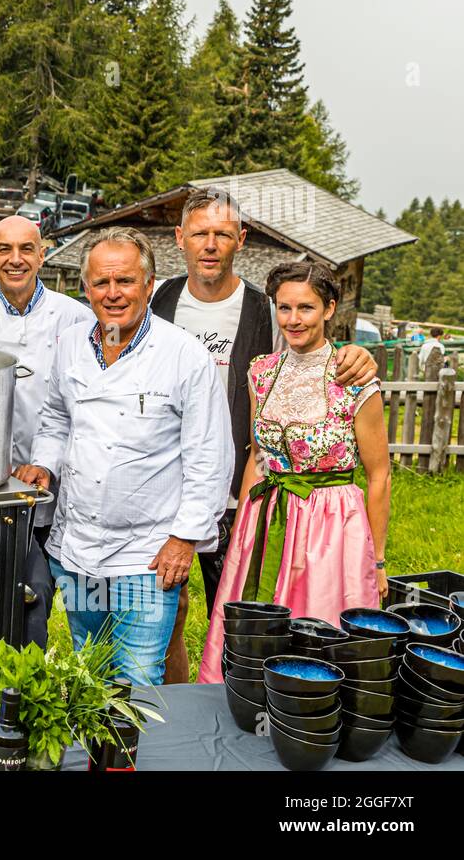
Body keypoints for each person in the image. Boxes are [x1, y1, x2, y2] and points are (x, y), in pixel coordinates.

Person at [152, 188, 376, 683]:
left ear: (241, 241)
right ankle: (183, 716)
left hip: (240, 495)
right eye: (200, 233)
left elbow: (309, 357)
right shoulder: (156, 300)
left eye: (222, 234)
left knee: (241, 613)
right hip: (166, 488)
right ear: (180, 239)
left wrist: (359, 356)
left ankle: (246, 704)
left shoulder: (266, 310)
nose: (210, 244)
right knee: (166, 617)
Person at [22, 228, 233, 686]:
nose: (113, 294)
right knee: (91, 670)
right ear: (86, 288)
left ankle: (132, 759)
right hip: (77, 549)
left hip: (148, 554)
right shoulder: (72, 345)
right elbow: (57, 419)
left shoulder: (185, 357)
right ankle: (96, 758)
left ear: (149, 284)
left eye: (125, 281)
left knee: (137, 680)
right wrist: (44, 463)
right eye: (101, 283)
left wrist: (184, 538)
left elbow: (210, 459)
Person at [198, 262, 390, 683]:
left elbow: (379, 476)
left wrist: (376, 560)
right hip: (267, 518)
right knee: (257, 626)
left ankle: (310, 712)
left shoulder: (355, 379)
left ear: (329, 309)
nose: (293, 319)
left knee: (317, 626)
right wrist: (243, 531)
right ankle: (249, 701)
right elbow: (255, 455)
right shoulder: (261, 373)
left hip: (331, 526)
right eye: (284, 308)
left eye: (306, 308)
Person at [0, 214, 91, 646]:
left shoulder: (76, 318)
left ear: (42, 255)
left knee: (45, 591)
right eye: (4, 249)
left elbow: (76, 404)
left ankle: (26, 688)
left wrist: (47, 462)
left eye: (26, 249)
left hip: (55, 480)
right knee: (5, 588)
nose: (15, 259)